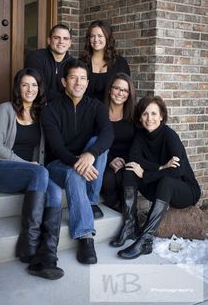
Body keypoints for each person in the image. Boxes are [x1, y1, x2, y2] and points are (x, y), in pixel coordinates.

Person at [0, 68, 64, 280]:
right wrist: (28, 165)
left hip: (32, 173)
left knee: (56, 193)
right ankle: (29, 246)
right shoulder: (4, 109)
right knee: (40, 173)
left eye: (34, 85)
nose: (30, 89)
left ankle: (48, 254)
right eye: (25, 84)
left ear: (39, 88)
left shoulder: (40, 114)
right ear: (18, 88)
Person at [41, 59, 114, 264]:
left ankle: (91, 200)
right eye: (73, 78)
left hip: (82, 161)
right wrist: (77, 162)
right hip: (57, 165)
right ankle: (85, 237)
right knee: (75, 171)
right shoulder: (50, 110)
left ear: (87, 83)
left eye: (83, 78)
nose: (78, 83)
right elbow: (57, 148)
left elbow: (108, 133)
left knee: (97, 144)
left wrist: (90, 154)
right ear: (64, 81)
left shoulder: (96, 107)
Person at [110, 95, 201, 259]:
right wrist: (160, 167)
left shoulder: (170, 136)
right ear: (140, 117)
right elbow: (133, 158)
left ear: (161, 116)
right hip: (159, 186)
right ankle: (130, 226)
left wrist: (146, 173)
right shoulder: (141, 135)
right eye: (145, 114)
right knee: (130, 169)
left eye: (153, 114)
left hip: (185, 190)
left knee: (167, 180)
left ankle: (145, 240)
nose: (149, 118)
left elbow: (177, 172)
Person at [101, 73, 136, 213]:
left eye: (125, 90)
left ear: (129, 93)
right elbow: (93, 141)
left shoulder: (134, 116)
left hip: (127, 160)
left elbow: (138, 144)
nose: (120, 93)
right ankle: (116, 208)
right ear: (110, 90)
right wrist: (109, 160)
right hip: (105, 159)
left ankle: (129, 217)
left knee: (124, 177)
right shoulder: (99, 113)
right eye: (117, 88)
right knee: (108, 178)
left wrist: (126, 161)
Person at [81, 20, 130, 102]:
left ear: (107, 38)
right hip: (85, 111)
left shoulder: (120, 63)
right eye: (92, 36)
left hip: (111, 112)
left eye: (100, 36)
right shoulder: (81, 63)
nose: (96, 39)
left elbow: (126, 91)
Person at [25, 24, 74, 101]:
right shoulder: (35, 57)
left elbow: (75, 90)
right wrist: (64, 99)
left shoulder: (73, 63)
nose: (61, 41)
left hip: (64, 108)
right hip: (39, 107)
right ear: (49, 40)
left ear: (70, 43)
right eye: (56, 38)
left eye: (65, 38)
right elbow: (38, 87)